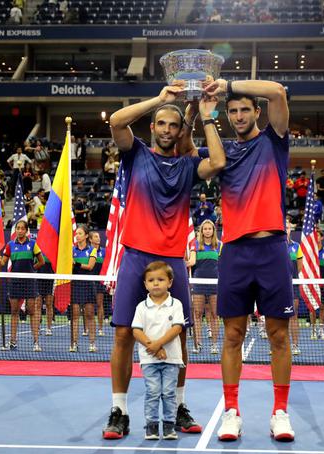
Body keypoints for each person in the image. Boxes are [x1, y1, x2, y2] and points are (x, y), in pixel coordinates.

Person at [102, 83, 224, 439]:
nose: (168, 130)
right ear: (153, 128)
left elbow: (217, 162)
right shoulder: (136, 153)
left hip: (172, 261)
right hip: (135, 255)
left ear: (179, 130)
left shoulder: (188, 166)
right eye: (161, 124)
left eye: (173, 125)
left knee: (179, 337)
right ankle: (119, 410)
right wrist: (161, 101)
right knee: (124, 333)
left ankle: (178, 406)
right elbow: (116, 122)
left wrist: (205, 116)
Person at [199, 78, 295, 441]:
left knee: (278, 335)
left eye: (245, 110)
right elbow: (191, 154)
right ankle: (232, 412)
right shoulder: (221, 150)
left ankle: (280, 413)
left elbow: (278, 92)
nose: (239, 116)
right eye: (233, 111)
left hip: (271, 250)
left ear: (257, 112)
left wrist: (227, 84)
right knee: (232, 335)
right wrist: (204, 113)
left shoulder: (274, 140)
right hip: (235, 252)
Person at [131, 261, 184, 440]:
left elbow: (177, 328)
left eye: (160, 279)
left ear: (169, 282)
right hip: (149, 360)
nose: (155, 283)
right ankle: (151, 427)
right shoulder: (141, 307)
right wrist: (151, 346)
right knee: (152, 392)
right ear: (145, 284)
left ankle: (169, 426)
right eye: (151, 280)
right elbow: (136, 330)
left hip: (172, 359)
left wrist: (157, 345)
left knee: (169, 393)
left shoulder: (176, 304)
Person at [0, 220, 45, 351]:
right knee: (14, 311)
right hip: (14, 282)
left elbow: (41, 261)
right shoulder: (10, 245)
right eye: (17, 228)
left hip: (29, 281)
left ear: (26, 231)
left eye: (22, 228)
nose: (19, 230)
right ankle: (12, 341)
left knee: (31, 311)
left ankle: (36, 342)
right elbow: (3, 262)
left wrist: (31, 270)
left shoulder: (33, 244)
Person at [187, 219, 222, 355]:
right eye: (205, 229)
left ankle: (214, 345)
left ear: (213, 230)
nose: (207, 231)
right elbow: (191, 262)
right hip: (199, 283)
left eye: (210, 229)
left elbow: (224, 265)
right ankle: (198, 344)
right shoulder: (195, 245)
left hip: (214, 284)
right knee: (197, 314)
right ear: (201, 231)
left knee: (214, 315)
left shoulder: (219, 245)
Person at [71, 225, 98, 353]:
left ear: (86, 236)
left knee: (90, 314)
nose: (77, 235)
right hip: (75, 284)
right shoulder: (72, 250)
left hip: (88, 284)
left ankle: (92, 343)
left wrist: (76, 264)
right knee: (75, 315)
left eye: (80, 233)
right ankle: (74, 343)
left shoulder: (92, 250)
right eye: (76, 233)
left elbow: (90, 266)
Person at [287, 224, 303, 356]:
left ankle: (295, 345)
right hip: (277, 286)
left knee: (293, 315)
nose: (285, 229)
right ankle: (280, 345)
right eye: (283, 227)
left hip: (293, 285)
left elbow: (299, 266)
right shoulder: (275, 246)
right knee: (277, 317)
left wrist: (291, 277)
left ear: (290, 229)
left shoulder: (296, 246)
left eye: (287, 227)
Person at [90, 230, 107, 336]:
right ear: (90, 239)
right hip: (89, 281)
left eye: (99, 237)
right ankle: (87, 329)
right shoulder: (87, 251)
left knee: (100, 304)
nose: (98, 238)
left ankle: (100, 329)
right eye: (95, 237)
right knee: (88, 306)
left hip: (100, 281)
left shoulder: (104, 252)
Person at [37, 251, 56, 336]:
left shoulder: (52, 245)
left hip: (50, 277)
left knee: (49, 304)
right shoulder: (35, 246)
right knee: (38, 304)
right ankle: (37, 327)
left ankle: (49, 328)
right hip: (38, 277)